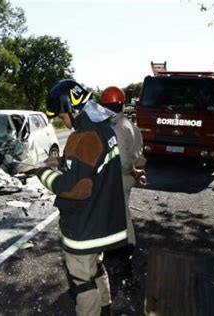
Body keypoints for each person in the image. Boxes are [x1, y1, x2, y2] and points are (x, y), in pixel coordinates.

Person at [37, 79, 128, 316]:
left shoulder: (85, 136)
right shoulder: (104, 128)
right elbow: (91, 165)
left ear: (71, 107)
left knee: (82, 281)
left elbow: (74, 187)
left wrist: (42, 173)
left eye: (61, 115)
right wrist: (61, 161)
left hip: (83, 227)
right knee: (96, 268)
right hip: (102, 222)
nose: (62, 121)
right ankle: (105, 309)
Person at [100, 86, 146, 281]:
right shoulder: (129, 124)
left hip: (120, 177)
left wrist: (133, 171)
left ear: (108, 105)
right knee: (120, 215)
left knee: (121, 219)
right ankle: (120, 253)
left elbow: (123, 161)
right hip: (127, 177)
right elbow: (139, 154)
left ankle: (124, 257)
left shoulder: (116, 128)